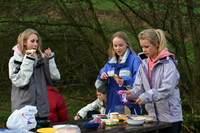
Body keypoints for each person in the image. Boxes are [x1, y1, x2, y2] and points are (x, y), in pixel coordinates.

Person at [122, 29, 183, 133]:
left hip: (170, 118)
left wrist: (145, 97)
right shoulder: (143, 64)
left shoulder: (168, 64)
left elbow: (166, 89)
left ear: (156, 45)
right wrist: (130, 94)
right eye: (142, 47)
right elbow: (139, 88)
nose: (144, 50)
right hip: (151, 119)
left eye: (147, 46)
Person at [8, 29, 60, 120]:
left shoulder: (41, 59)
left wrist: (50, 60)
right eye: (32, 41)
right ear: (24, 42)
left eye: (37, 41)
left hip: (41, 111)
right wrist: (28, 60)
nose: (36, 44)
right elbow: (20, 82)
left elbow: (54, 79)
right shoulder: (14, 60)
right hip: (23, 112)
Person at [95, 31, 141, 115]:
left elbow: (139, 82)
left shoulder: (135, 59)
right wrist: (101, 78)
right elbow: (99, 87)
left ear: (127, 44)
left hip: (129, 109)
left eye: (121, 45)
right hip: (112, 109)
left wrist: (124, 80)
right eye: (115, 46)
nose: (118, 48)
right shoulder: (109, 63)